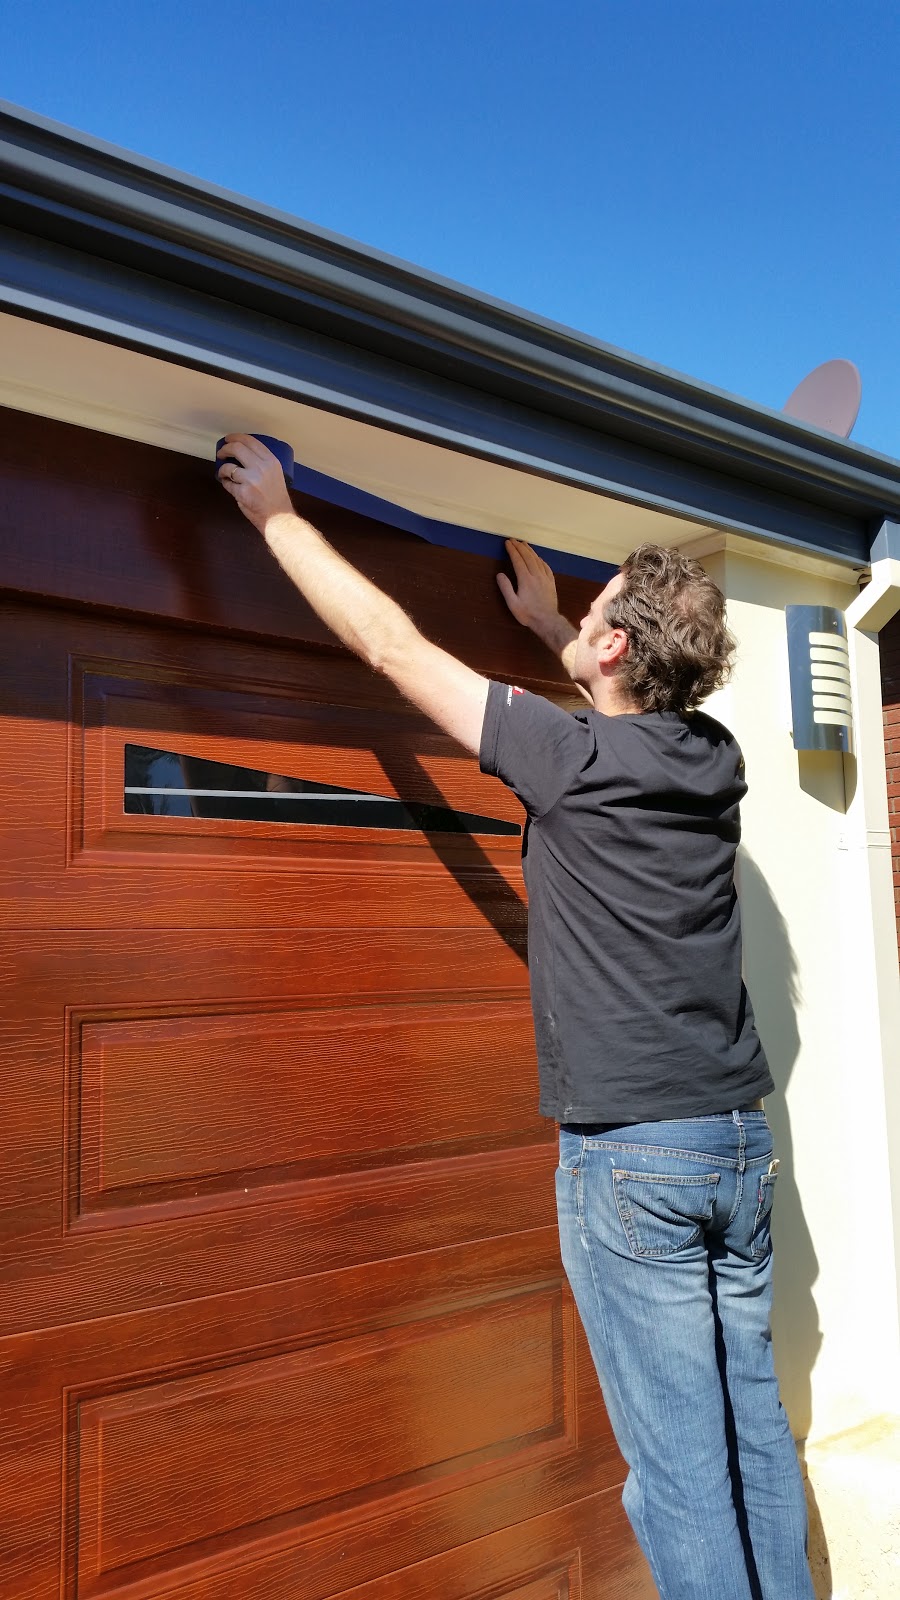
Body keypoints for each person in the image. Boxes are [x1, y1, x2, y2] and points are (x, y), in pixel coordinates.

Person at [216, 434, 815, 1600]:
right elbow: (633, 705)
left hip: (634, 1161)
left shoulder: (570, 755)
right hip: (737, 1147)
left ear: (618, 647)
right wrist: (558, 630)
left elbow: (393, 647)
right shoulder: (712, 757)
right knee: (751, 1445)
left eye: (594, 617)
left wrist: (278, 516)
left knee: (678, 1475)